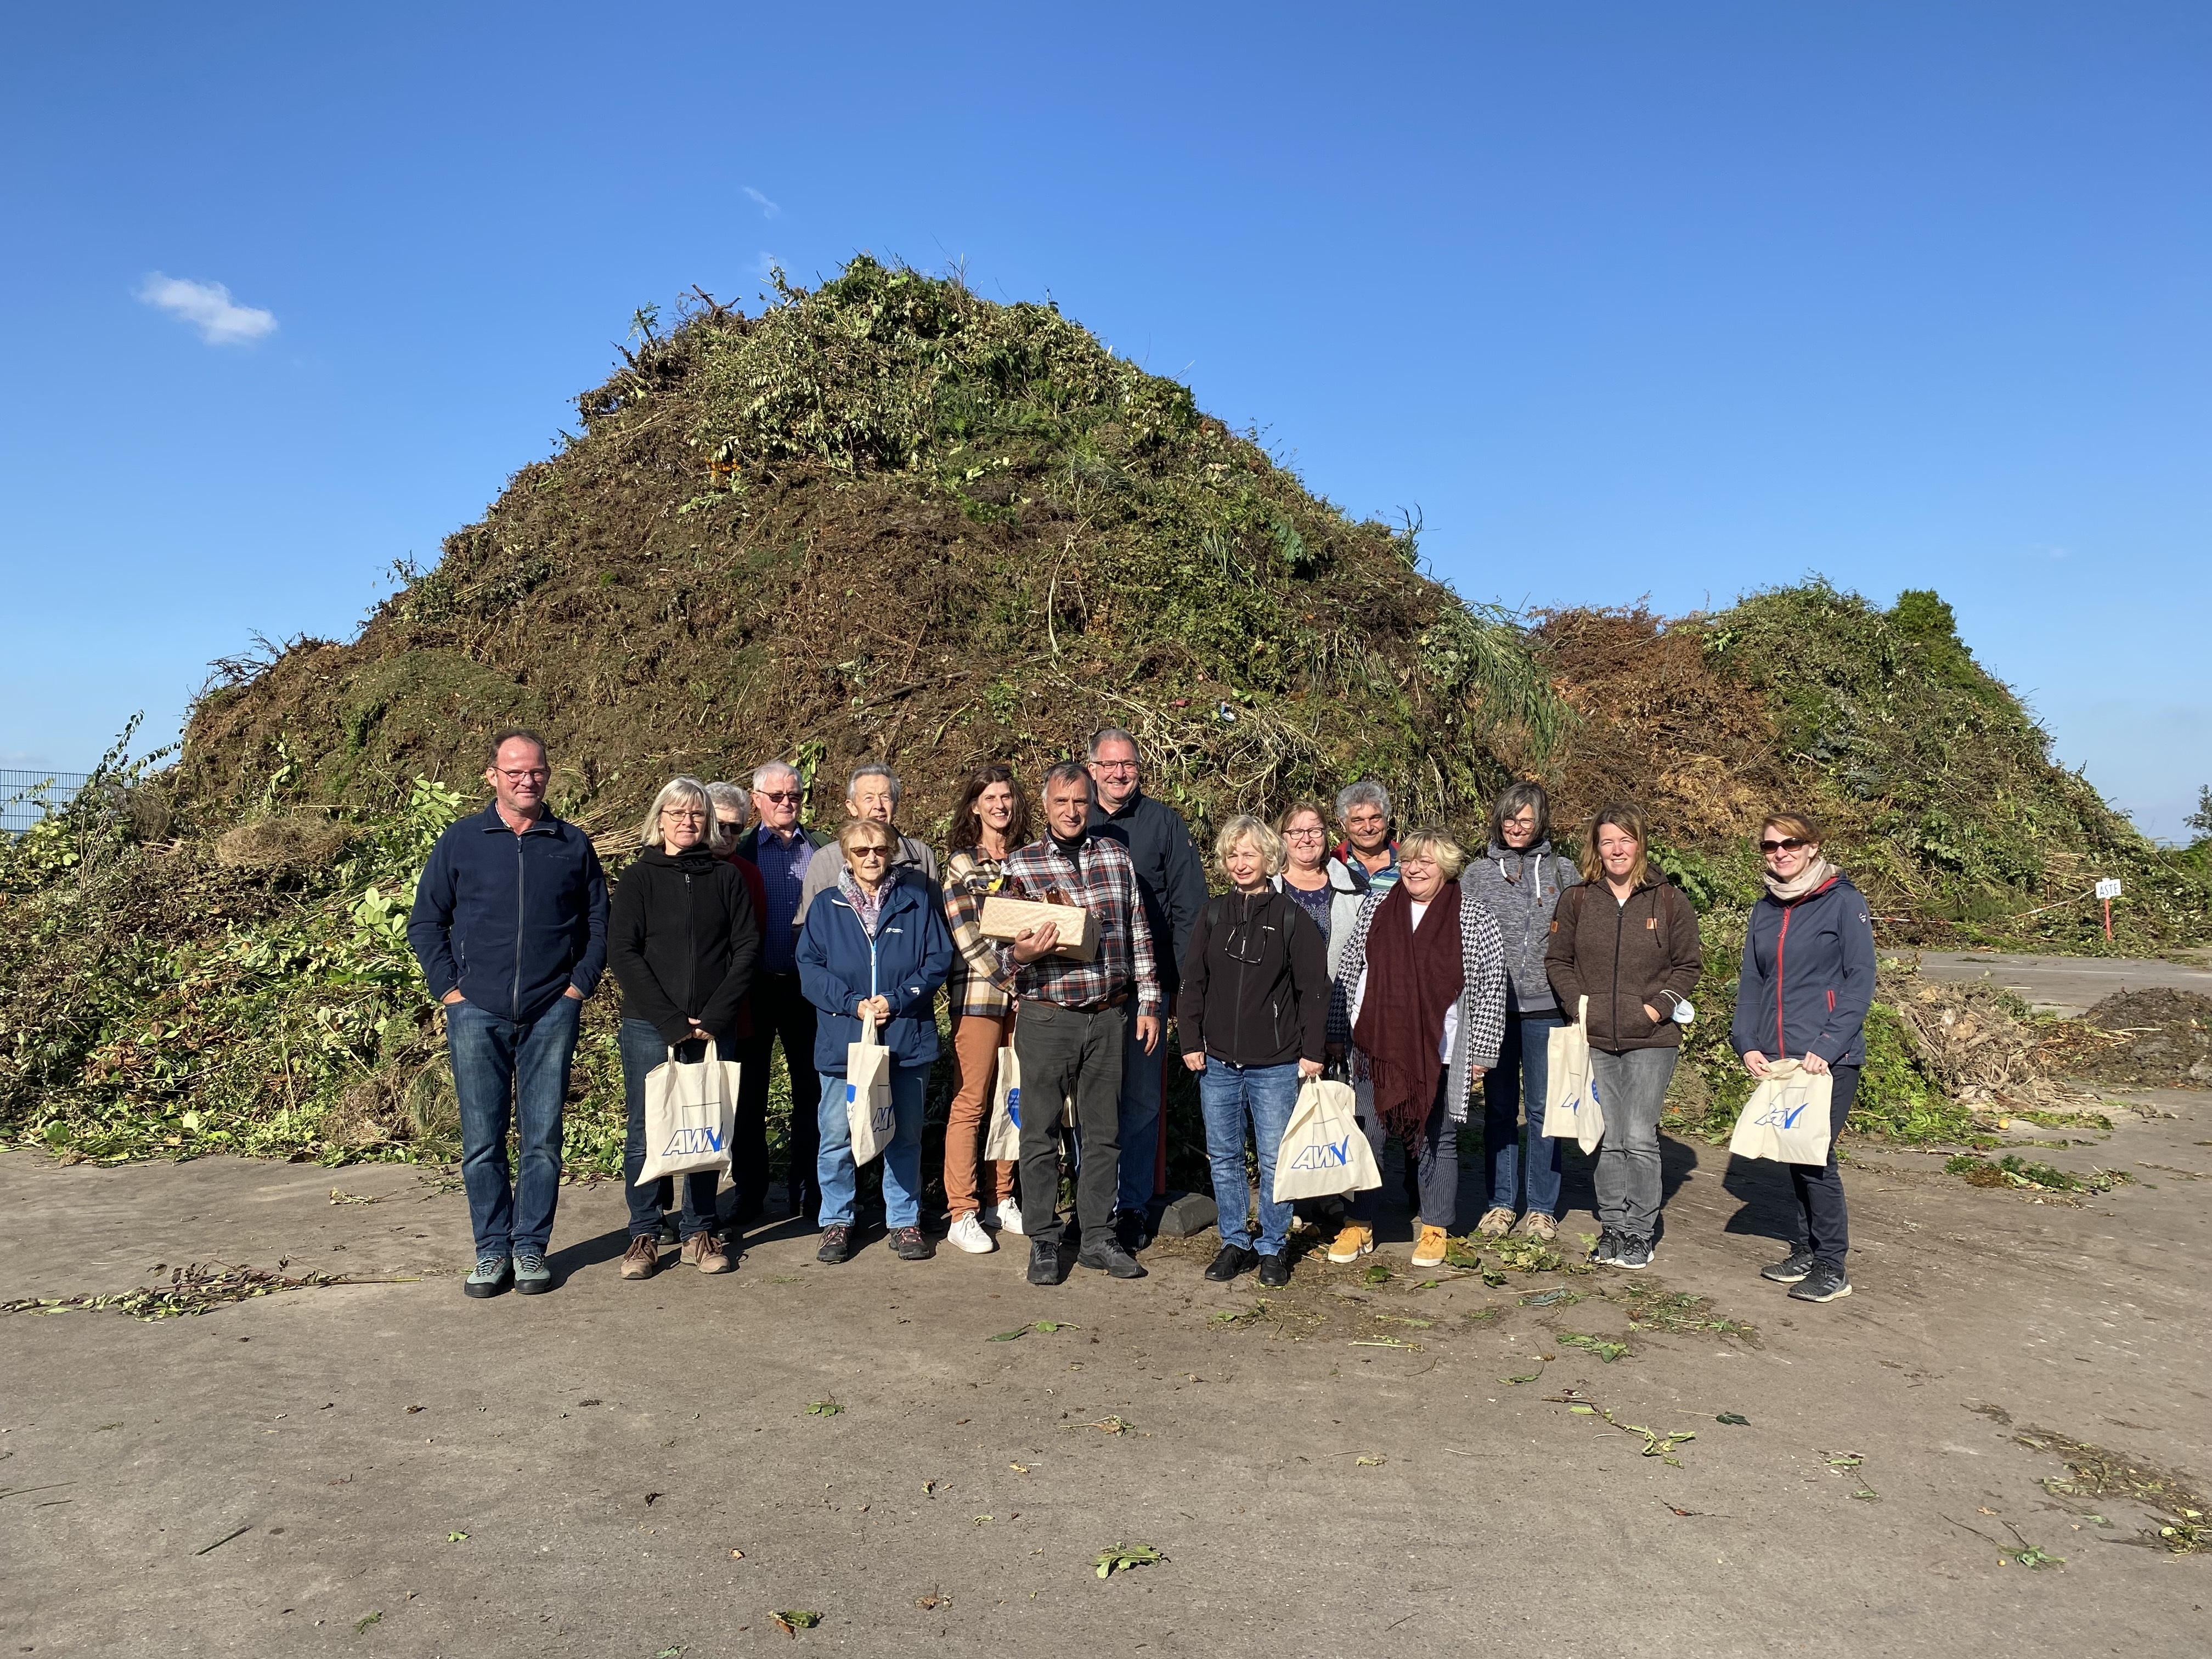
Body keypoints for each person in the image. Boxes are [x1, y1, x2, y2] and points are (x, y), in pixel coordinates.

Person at [407, 729, 607, 1298]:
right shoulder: (463, 840)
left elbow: (599, 924)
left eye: (536, 771)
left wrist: (577, 990)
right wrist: (451, 990)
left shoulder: (570, 843)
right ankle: (492, 1250)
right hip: (476, 1012)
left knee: (542, 1139)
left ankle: (530, 1248)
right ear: (492, 776)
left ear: (549, 775)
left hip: (551, 1010)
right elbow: (426, 922)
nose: (527, 780)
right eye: (514, 771)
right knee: (482, 1141)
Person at [1000, 760, 1163, 1286]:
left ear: (1091, 805)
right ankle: (1044, 1241)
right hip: (1048, 1018)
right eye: (1061, 802)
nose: (1072, 812)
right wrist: (1022, 955)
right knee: (1040, 1134)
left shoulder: (1115, 857)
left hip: (1109, 1016)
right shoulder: (1022, 866)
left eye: (1080, 802)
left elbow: (1139, 934)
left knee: (1103, 1134)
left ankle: (1096, 1236)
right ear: (1045, 806)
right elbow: (999, 952)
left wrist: (1150, 1003)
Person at [607, 778, 761, 1280]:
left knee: (704, 1123)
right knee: (646, 1128)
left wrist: (715, 1017)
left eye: (697, 814)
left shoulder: (727, 877)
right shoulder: (638, 879)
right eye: (677, 813)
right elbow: (623, 954)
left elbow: (746, 950)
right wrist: (671, 1021)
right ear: (660, 820)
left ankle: (700, 1229)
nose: (687, 821)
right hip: (650, 1025)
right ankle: (645, 1233)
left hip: (716, 1025)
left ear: (709, 822)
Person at [1543, 802, 1703, 1271]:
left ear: (1640, 844)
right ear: (1596, 846)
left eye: (1625, 840)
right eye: (1607, 840)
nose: (1616, 849)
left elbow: (1688, 964)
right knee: (1610, 1136)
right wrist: (1580, 1006)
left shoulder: (1669, 899)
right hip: (1596, 1037)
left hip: (1652, 1038)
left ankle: (1639, 1231)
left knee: (1638, 1134)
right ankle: (1612, 1227)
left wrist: (1657, 1007)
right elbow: (1558, 961)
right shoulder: (1577, 899)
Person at [1178, 815, 1329, 1288]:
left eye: (1250, 854)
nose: (1241, 863)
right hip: (1218, 1062)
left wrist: (1312, 1051)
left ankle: (1273, 1246)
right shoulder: (1213, 914)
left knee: (1273, 1159)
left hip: (1277, 1064)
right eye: (1232, 855)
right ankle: (1234, 1241)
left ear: (1269, 859)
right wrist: (1190, 1040)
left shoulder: (1292, 919)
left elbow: (1314, 990)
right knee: (1223, 1157)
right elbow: (1193, 983)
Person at [795, 818, 953, 1263]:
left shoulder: (918, 902)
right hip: (843, 1041)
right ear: (846, 856)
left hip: (905, 1040)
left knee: (903, 1135)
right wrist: (852, 1004)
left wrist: (899, 999)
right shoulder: (826, 907)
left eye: (880, 850)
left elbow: (937, 961)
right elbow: (810, 970)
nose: (871, 858)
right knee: (837, 1136)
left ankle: (903, 1221)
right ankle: (837, 1221)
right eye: (861, 851)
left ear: (891, 853)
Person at [1732, 810, 1874, 1304]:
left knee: (1816, 1158)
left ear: (1813, 847)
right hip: (1779, 1058)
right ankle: (1805, 1251)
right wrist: (1746, 1041)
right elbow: (1754, 982)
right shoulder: (1765, 909)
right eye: (1771, 846)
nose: (1781, 853)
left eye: (1791, 844)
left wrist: (1829, 1046)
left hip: (1828, 1059)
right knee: (1793, 1154)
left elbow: (1860, 984)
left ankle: (1833, 1265)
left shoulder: (1843, 902)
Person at [1085, 727, 1207, 1252]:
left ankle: (1132, 1206)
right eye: (1108, 765)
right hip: (1082, 990)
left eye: (1128, 765)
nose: (1118, 774)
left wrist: (1180, 987)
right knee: (1089, 1103)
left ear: (1139, 768)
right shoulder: (1072, 817)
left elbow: (1190, 908)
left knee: (1139, 1102)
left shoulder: (1164, 823)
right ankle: (1093, 1208)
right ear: (1092, 769)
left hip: (1144, 993)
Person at [1463, 781, 1582, 1242]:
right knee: (1497, 1110)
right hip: (1492, 1009)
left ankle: (1541, 1207)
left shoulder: (1563, 870)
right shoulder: (1477, 874)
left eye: (1526, 819)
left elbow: (1578, 937)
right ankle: (1498, 1203)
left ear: (1541, 821)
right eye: (1509, 818)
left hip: (1547, 1009)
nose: (1516, 827)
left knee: (1543, 1110)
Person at [732, 761, 833, 1224]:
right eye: (777, 797)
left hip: (807, 989)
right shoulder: (742, 850)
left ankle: (810, 1192)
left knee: (811, 1093)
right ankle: (749, 1194)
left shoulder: (823, 851)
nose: (787, 803)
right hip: (752, 987)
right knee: (748, 1096)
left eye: (795, 795)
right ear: (756, 800)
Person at [939, 764, 1032, 1254]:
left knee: (1013, 1099)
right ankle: (962, 1211)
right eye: (989, 797)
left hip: (1026, 997)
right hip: (981, 996)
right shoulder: (960, 864)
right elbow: (968, 939)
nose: (1000, 805)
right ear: (974, 805)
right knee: (971, 1101)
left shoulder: (1028, 860)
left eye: (1006, 797)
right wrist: (1012, 976)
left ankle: (1003, 1198)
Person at [793, 762, 940, 927]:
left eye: (885, 797)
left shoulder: (920, 856)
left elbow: (937, 922)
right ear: (852, 807)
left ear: (895, 804)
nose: (879, 806)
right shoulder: (826, 860)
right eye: (869, 798)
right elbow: (806, 927)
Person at [1271, 800, 1369, 978]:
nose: (1307, 839)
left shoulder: (1353, 887)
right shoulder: (1267, 888)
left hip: (1339, 1001)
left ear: (1325, 835)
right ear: (1282, 838)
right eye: (1296, 832)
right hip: (1283, 1002)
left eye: (1315, 831)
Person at [1334, 781, 1401, 895]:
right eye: (1358, 821)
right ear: (1343, 825)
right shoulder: (1333, 865)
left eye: (1375, 818)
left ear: (1387, 819)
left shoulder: (1408, 862)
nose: (1368, 828)